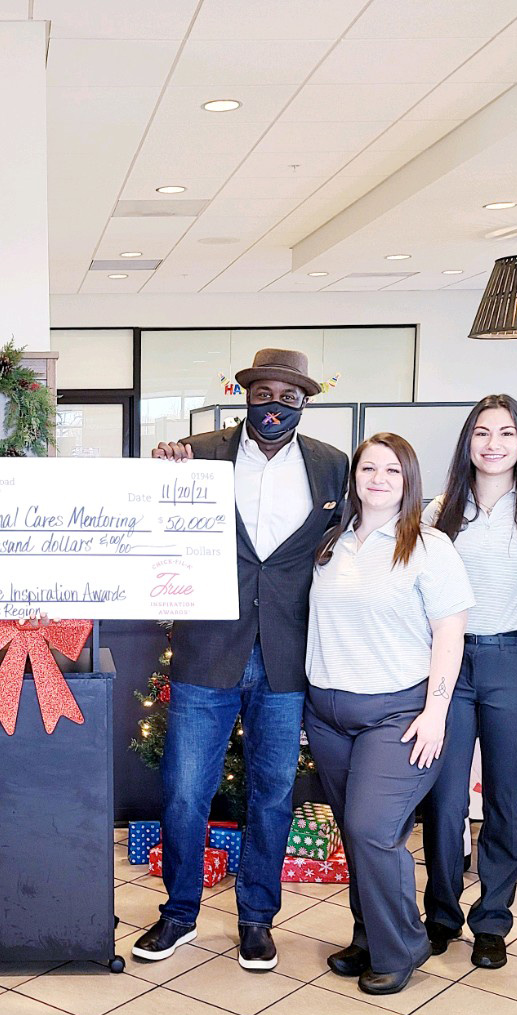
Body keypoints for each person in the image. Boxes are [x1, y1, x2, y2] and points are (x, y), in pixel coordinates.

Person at [132, 348, 349, 972]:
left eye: (289, 397)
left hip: (288, 656)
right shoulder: (196, 454)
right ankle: (179, 913)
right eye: (264, 394)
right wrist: (162, 470)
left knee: (273, 794)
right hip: (207, 650)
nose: (275, 406)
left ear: (304, 402)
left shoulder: (333, 467)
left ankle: (257, 918)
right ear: (246, 396)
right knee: (183, 792)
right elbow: (152, 520)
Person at [308, 433, 472, 996]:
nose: (378, 479)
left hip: (397, 713)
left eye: (392, 471)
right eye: (368, 468)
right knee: (355, 835)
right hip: (327, 713)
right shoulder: (331, 543)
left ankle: (402, 945)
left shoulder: (429, 546)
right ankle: (369, 935)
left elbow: (449, 634)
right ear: (353, 477)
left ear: (409, 481)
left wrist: (437, 712)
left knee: (372, 829)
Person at [417, 395, 517, 970]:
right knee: (444, 796)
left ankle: (492, 920)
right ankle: (441, 913)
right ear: (468, 441)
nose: (493, 444)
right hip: (450, 664)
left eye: (506, 433)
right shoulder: (441, 509)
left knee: (506, 797)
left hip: (516, 661)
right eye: (482, 433)